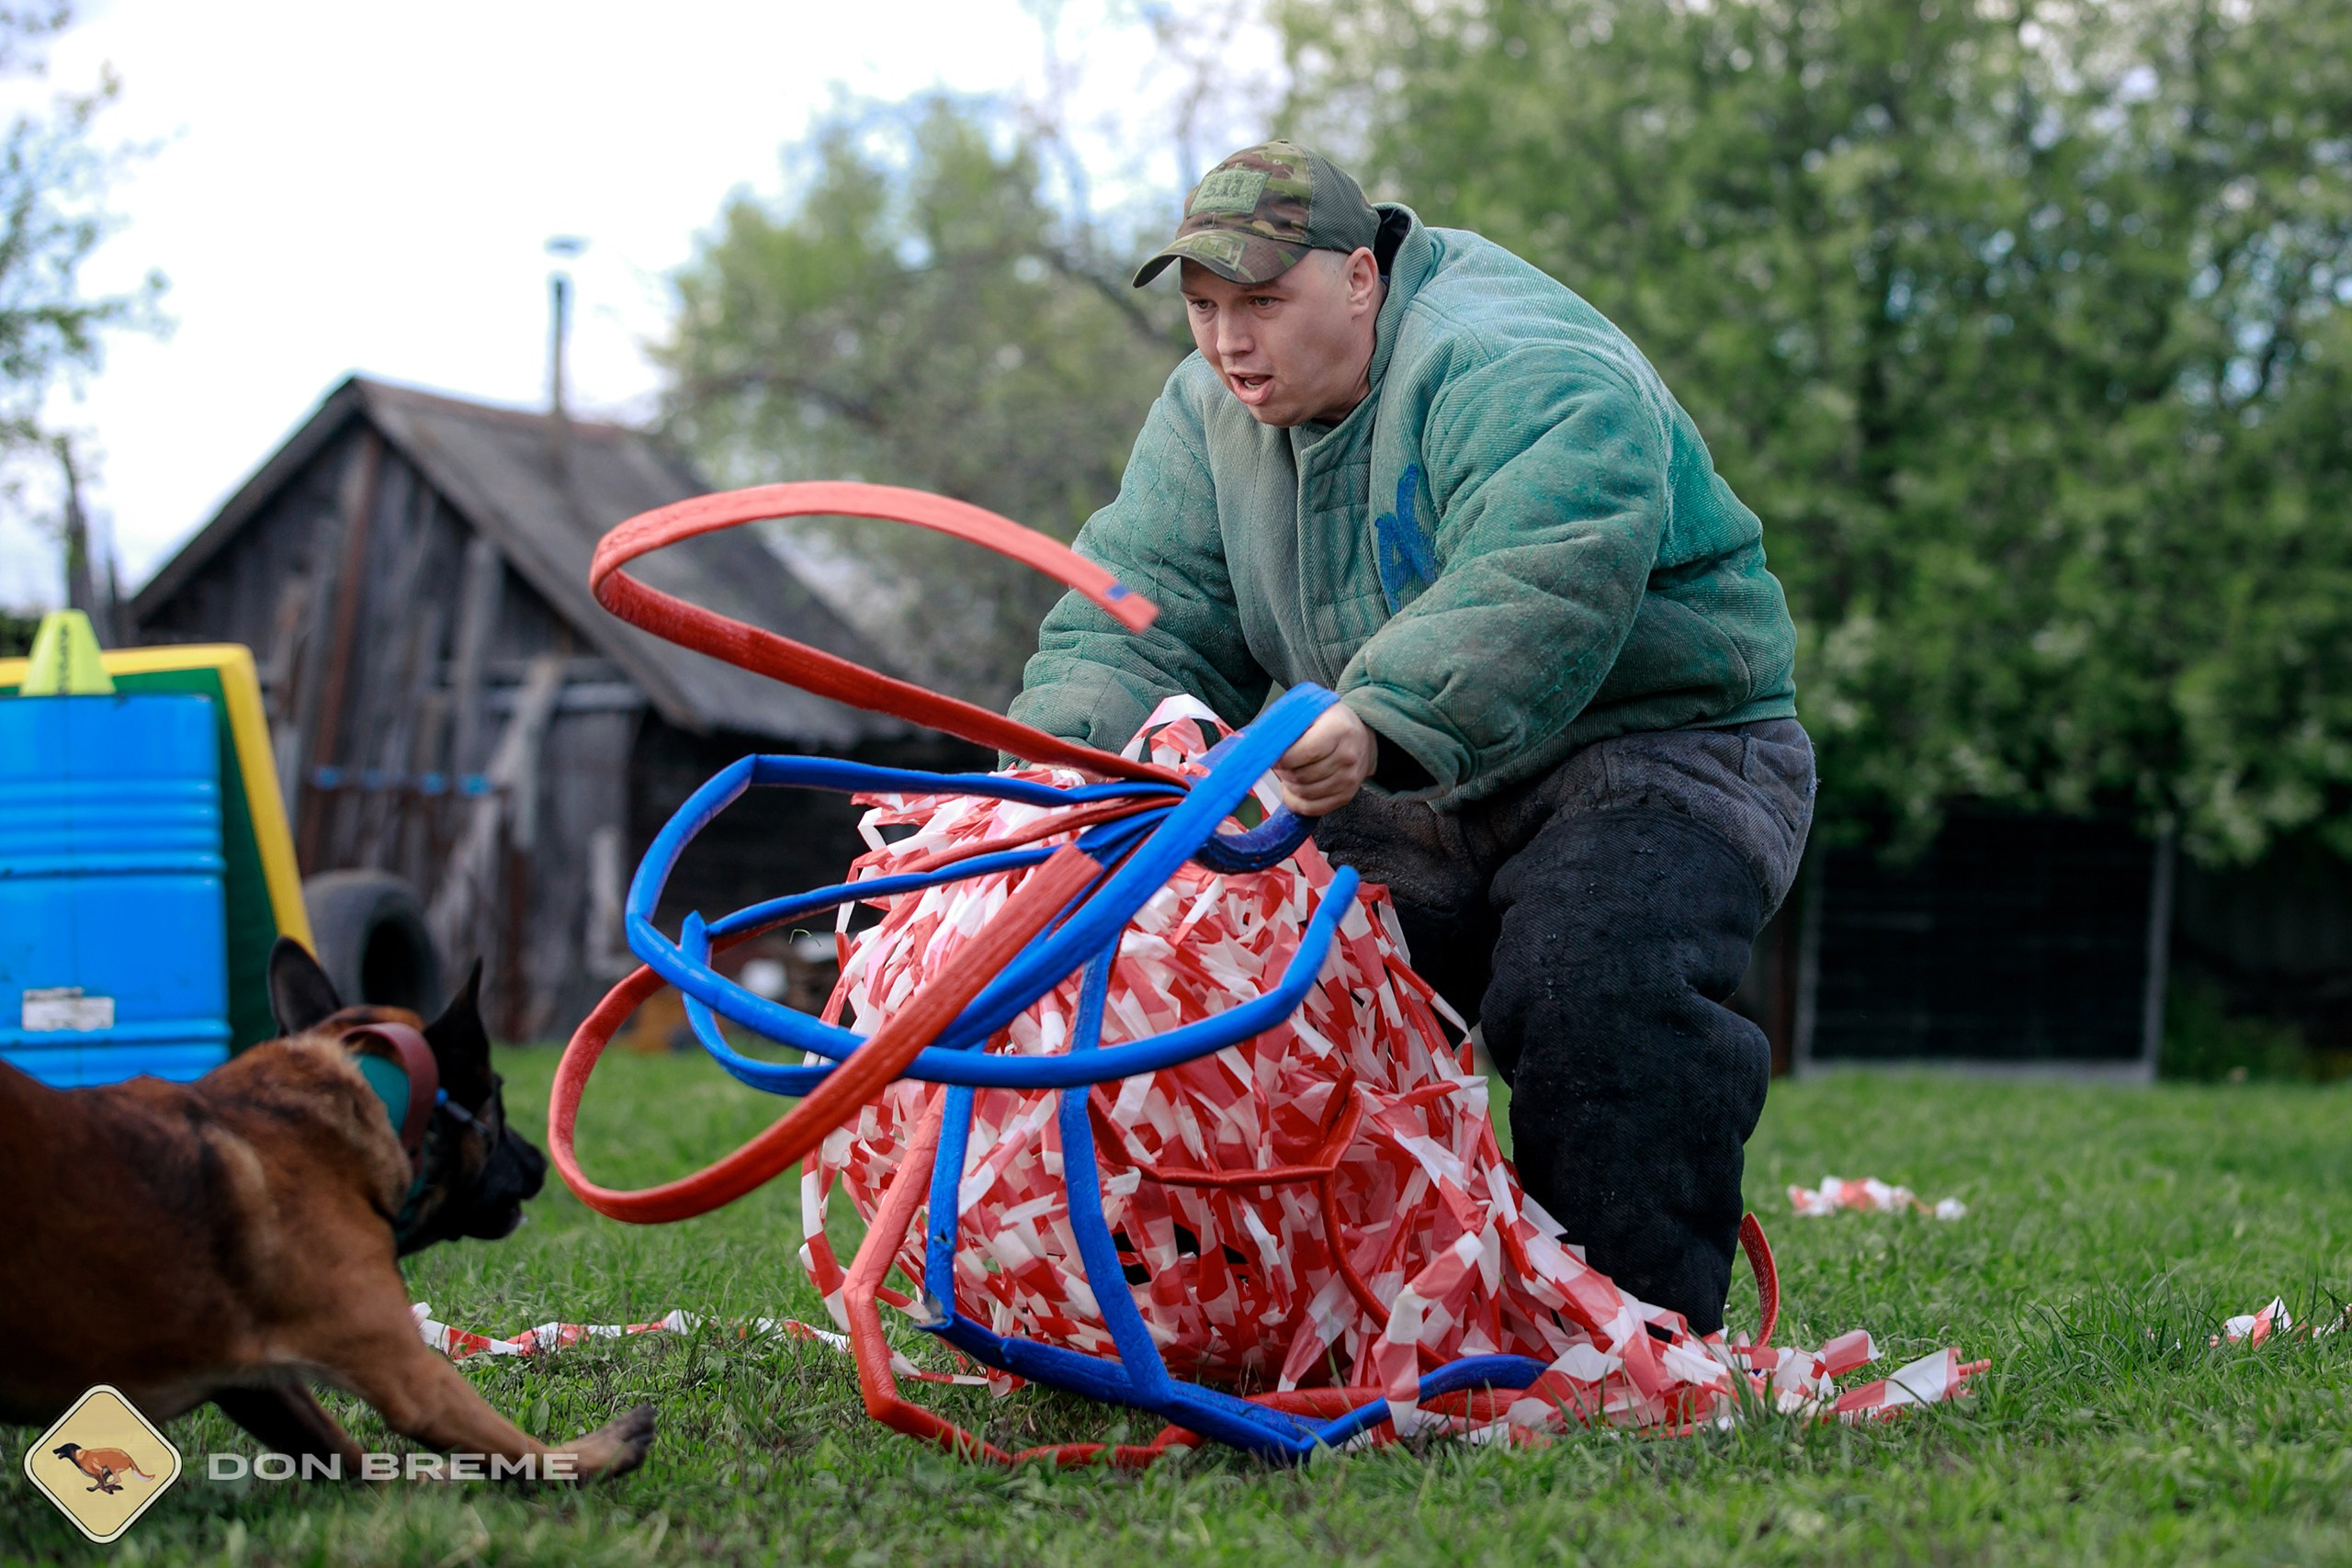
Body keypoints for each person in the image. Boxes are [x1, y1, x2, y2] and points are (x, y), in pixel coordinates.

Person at [1008, 141, 1814, 1337]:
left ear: (1360, 278)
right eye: (1204, 306)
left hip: (1658, 746)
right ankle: (1305, 1322)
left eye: (1263, 304)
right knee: (1273, 970)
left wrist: (1378, 719)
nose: (1229, 341)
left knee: (1592, 978)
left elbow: (1549, 568)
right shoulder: (1207, 414)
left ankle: (1630, 1349)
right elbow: (1141, 610)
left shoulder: (1515, 363)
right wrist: (1046, 771)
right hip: (1410, 770)